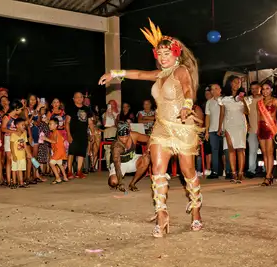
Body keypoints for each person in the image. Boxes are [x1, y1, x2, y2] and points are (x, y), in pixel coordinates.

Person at [99, 19, 203, 236]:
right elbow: (137, 74)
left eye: (167, 54)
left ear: (175, 53)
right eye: (160, 54)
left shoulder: (181, 70)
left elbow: (187, 90)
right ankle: (161, 213)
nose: (163, 58)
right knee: (157, 170)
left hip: (183, 127)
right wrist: (115, 73)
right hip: (162, 127)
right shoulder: (160, 74)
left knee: (188, 171)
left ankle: (195, 210)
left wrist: (186, 106)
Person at [218, 76, 250, 183]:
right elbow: (222, 113)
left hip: (240, 124)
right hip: (228, 124)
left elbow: (247, 112)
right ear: (230, 83)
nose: (237, 84)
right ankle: (233, 173)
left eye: (239, 82)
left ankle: (241, 173)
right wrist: (219, 127)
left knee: (240, 148)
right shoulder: (223, 99)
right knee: (230, 149)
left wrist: (243, 100)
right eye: (235, 82)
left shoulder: (244, 97)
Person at [108, 122, 150, 192]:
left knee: (146, 159)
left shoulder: (134, 135)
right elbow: (117, 166)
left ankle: (132, 183)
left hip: (132, 160)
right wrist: (120, 182)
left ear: (129, 133)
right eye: (121, 137)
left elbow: (149, 138)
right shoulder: (116, 146)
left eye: (126, 136)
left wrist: (147, 150)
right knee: (113, 182)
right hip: (120, 164)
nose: (124, 139)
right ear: (118, 135)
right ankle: (114, 179)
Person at [257, 81, 277, 186]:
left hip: (271, 129)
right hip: (261, 128)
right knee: (264, 153)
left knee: (269, 153)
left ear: (271, 89)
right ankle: (269, 174)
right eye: (263, 89)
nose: (265, 91)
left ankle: (268, 176)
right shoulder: (259, 102)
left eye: (267, 88)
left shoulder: (275, 101)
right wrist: (257, 130)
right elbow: (258, 117)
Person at [65, 92, 95, 179]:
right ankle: (69, 172)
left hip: (83, 134)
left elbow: (90, 122)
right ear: (73, 99)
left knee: (81, 153)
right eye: (77, 97)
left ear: (83, 98)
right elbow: (67, 122)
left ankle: (79, 172)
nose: (79, 99)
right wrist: (69, 135)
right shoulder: (71, 109)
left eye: (81, 97)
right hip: (73, 134)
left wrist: (92, 133)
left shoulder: (87, 109)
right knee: (72, 153)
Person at [246, 81, 263, 178]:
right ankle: (251, 170)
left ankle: (266, 169)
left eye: (256, 88)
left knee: (265, 151)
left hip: (264, 129)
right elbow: (242, 112)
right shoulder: (247, 99)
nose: (254, 90)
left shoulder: (264, 98)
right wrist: (246, 123)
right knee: (252, 150)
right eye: (252, 89)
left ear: (260, 88)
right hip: (252, 129)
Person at [10, 118, 32, 188]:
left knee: (20, 169)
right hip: (15, 155)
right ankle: (14, 182)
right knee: (14, 169)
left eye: (24, 125)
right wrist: (13, 155)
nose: (24, 126)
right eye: (22, 125)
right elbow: (11, 146)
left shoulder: (24, 134)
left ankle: (21, 183)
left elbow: (25, 145)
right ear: (17, 125)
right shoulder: (13, 134)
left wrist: (28, 153)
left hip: (22, 155)